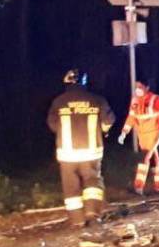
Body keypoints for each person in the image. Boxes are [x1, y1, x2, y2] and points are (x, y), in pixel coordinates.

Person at [46, 69, 115, 226]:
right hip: (91, 152)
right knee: (92, 182)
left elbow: (52, 124)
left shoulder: (58, 102)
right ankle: (92, 213)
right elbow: (108, 122)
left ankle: (76, 220)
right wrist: (102, 130)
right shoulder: (97, 100)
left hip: (67, 154)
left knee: (71, 187)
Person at [118, 80, 159, 195]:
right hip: (142, 135)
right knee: (154, 159)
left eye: (140, 86)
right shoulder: (135, 101)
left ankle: (138, 187)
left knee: (144, 157)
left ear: (147, 87)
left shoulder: (156, 100)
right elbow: (131, 118)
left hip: (155, 133)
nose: (137, 89)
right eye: (136, 86)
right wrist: (124, 132)